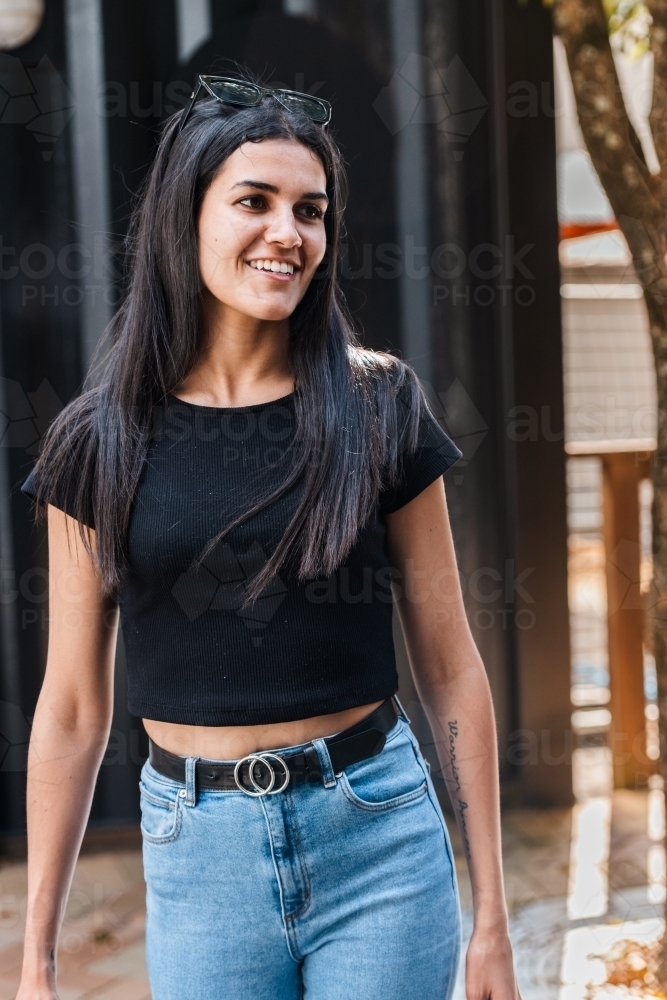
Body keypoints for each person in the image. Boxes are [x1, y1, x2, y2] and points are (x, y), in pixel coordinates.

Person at [16, 75, 521, 1000]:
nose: (288, 233)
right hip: (197, 851)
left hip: (375, 834)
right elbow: (73, 707)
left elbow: (449, 664)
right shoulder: (99, 442)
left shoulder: (377, 406)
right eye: (254, 201)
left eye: (311, 210)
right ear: (185, 216)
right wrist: (33, 957)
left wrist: (490, 917)